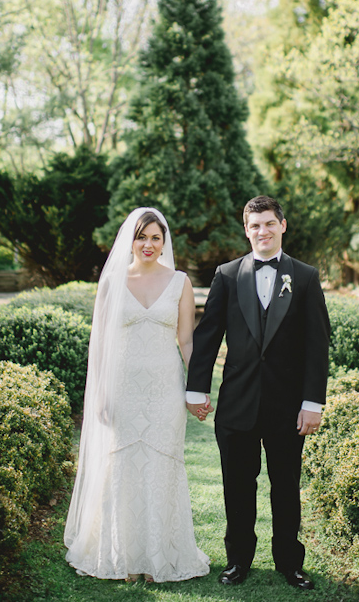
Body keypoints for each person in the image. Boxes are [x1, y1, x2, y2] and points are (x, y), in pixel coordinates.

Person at [186, 195, 330, 590]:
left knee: (285, 488)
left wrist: (312, 402)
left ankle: (289, 562)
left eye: (269, 223)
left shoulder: (304, 277)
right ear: (246, 230)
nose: (262, 231)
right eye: (254, 226)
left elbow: (317, 346)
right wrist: (196, 389)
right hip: (237, 404)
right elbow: (208, 335)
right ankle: (238, 562)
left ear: (282, 225)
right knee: (237, 488)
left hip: (288, 407)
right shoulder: (228, 275)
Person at [64, 207, 210, 583]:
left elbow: (187, 341)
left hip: (165, 391)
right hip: (122, 389)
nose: (148, 244)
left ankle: (160, 556)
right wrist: (98, 394)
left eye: (155, 238)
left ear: (164, 242)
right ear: (130, 241)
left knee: (163, 466)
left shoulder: (180, 282)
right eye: (141, 237)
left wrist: (197, 389)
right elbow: (100, 346)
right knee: (122, 467)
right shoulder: (112, 283)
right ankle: (122, 556)